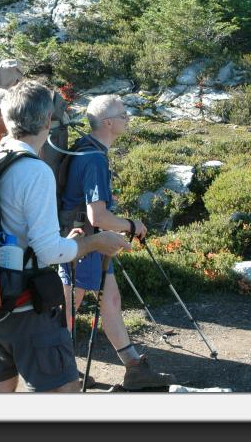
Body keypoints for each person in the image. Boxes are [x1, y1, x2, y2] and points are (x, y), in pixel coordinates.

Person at [0, 81, 131, 393]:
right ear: (48, 121)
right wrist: (94, 242)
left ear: (6, 118)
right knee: (64, 390)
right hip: (25, 304)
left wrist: (70, 242)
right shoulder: (34, 171)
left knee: (0, 390)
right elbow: (48, 251)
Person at [58, 94, 176, 390]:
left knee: (110, 301)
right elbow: (97, 215)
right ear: (108, 123)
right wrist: (131, 225)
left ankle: (134, 368)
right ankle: (59, 370)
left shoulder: (87, 148)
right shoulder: (94, 157)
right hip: (83, 242)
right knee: (68, 309)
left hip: (89, 240)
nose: (128, 118)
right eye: (123, 115)